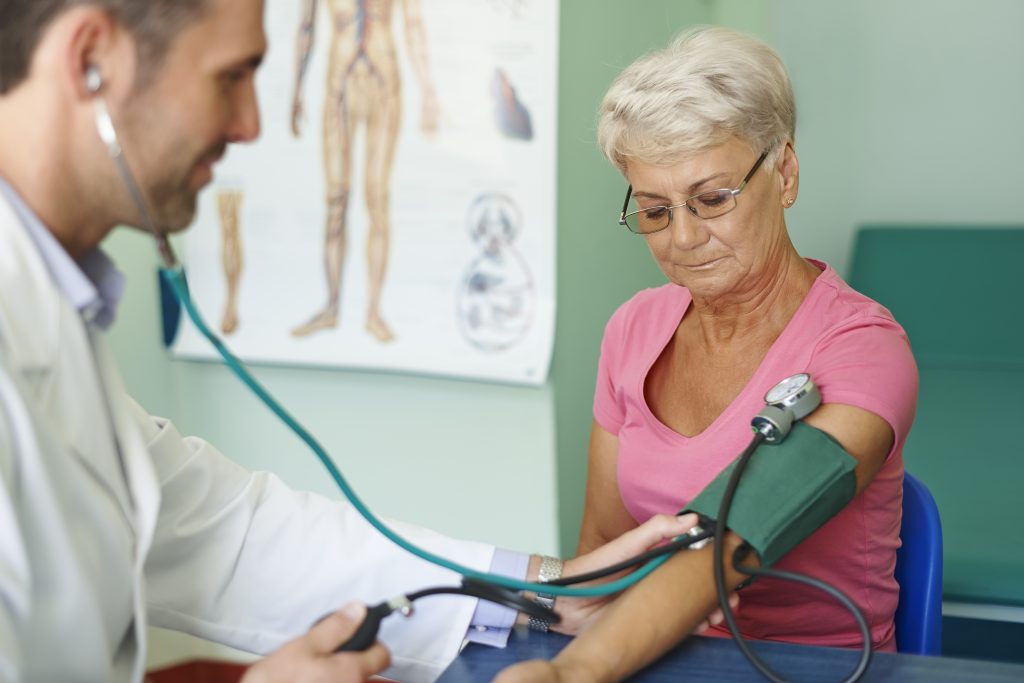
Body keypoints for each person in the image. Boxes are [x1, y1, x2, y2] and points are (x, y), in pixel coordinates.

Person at [0, 2, 702, 682]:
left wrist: (545, 586)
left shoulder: (51, 303)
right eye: (230, 76)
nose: (248, 125)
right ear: (91, 60)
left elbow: (225, 533)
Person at [495, 26, 918, 682]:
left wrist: (569, 675)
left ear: (784, 173)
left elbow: (728, 539)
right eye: (656, 210)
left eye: (712, 198)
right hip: (649, 661)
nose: (684, 237)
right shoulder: (633, 330)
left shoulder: (864, 349)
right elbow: (601, 559)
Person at [289, 0, 439, 342]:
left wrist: (429, 90)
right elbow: (306, 25)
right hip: (340, 81)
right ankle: (331, 305)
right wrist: (297, 88)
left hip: (383, 80)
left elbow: (413, 22)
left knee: (377, 198)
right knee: (336, 197)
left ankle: (372, 311)